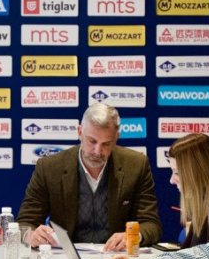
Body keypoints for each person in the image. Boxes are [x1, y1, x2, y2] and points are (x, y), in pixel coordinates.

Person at [16, 103, 161, 250]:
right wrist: (30, 235)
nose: (97, 151)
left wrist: (133, 236)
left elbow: (151, 224)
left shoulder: (136, 165)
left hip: (116, 256)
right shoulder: (49, 168)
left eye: (106, 144)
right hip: (66, 257)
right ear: (80, 132)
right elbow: (25, 222)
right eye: (92, 141)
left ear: (116, 138)